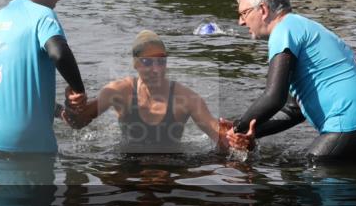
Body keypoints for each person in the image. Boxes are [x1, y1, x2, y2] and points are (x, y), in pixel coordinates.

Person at [229, 0, 356, 161]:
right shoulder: (304, 26)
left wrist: (235, 129)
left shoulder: (283, 30)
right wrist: (251, 131)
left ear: (263, 10)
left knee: (309, 173)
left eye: (244, 13)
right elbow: (294, 111)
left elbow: (273, 97)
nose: (241, 22)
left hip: (351, 124)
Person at [0, 0, 88, 156]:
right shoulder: (42, 14)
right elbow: (59, 52)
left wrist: (58, 111)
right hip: (27, 145)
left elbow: (13, 85)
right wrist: (79, 92)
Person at [65, 30, 234, 154]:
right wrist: (73, 105)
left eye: (161, 61)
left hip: (170, 167)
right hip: (129, 163)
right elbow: (78, 123)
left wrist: (236, 139)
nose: (156, 69)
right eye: (147, 62)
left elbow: (218, 135)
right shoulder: (118, 92)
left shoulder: (187, 99)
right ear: (135, 64)